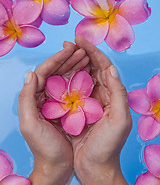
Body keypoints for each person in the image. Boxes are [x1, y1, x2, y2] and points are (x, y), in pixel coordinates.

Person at [18, 35, 132, 185]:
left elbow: (95, 112)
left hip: (74, 103)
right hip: (70, 104)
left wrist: (52, 168)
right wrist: (98, 170)